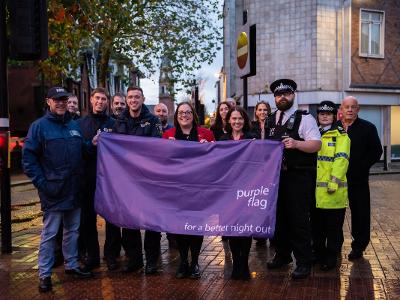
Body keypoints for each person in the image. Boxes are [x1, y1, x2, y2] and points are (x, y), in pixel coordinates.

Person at [22, 86, 93, 293]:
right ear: (48, 102)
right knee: (50, 234)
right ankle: (44, 274)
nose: (61, 103)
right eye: (57, 100)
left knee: (72, 231)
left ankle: (71, 265)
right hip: (53, 191)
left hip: (74, 190)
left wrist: (93, 143)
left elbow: (83, 150)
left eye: (64, 99)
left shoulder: (73, 125)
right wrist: (43, 185)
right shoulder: (39, 127)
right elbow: (29, 160)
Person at [265, 79, 321, 279]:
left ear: (293, 95)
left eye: (286, 93)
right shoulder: (270, 120)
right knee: (278, 218)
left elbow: (316, 145)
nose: (282, 97)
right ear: (274, 98)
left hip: (298, 176)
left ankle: (304, 261)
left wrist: (297, 144)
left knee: (298, 220)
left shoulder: (305, 118)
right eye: (278, 95)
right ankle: (282, 255)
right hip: (276, 178)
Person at [112, 86, 163, 275]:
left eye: (137, 97)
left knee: (151, 223)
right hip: (127, 182)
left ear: (143, 99)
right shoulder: (120, 121)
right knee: (129, 222)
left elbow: (155, 148)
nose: (133, 100)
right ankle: (134, 259)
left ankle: (151, 261)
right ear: (127, 99)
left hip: (149, 181)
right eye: (131, 97)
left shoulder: (153, 121)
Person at [163, 102, 215, 279]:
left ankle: (195, 263)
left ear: (193, 115)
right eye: (180, 112)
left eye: (187, 112)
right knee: (179, 227)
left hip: (199, 189)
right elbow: (161, 162)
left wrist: (208, 148)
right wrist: (167, 150)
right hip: (176, 189)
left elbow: (216, 159)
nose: (184, 115)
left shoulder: (206, 134)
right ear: (176, 116)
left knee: (196, 227)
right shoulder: (168, 134)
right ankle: (183, 261)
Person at [339, 96, 382, 260]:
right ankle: (335, 245)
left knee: (360, 213)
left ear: (358, 109)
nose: (349, 110)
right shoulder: (335, 128)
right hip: (337, 180)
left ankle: (359, 246)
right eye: (346, 107)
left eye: (353, 107)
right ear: (341, 109)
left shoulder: (368, 128)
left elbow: (376, 151)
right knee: (336, 214)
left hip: (358, 180)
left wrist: (361, 167)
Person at [77, 87, 115, 272]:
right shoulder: (80, 124)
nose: (100, 102)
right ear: (91, 100)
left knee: (112, 219)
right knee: (87, 220)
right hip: (87, 179)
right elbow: (77, 150)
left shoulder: (115, 124)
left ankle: (111, 255)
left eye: (103, 99)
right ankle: (92, 256)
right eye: (97, 98)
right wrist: (91, 145)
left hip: (109, 181)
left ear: (107, 102)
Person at [314, 101, 350, 270]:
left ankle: (331, 257)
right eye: (322, 114)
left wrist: (333, 182)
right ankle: (319, 254)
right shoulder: (312, 134)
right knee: (317, 228)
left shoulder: (341, 136)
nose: (325, 116)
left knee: (333, 229)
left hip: (333, 192)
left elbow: (341, 160)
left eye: (328, 114)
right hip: (315, 193)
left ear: (334, 116)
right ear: (318, 116)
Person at [220, 107, 254, 280]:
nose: (237, 122)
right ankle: (235, 263)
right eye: (233, 119)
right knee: (232, 227)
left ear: (244, 120)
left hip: (247, 189)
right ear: (228, 121)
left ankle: (244, 263)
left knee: (245, 228)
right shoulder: (223, 139)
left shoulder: (251, 139)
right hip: (228, 191)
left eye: (240, 118)